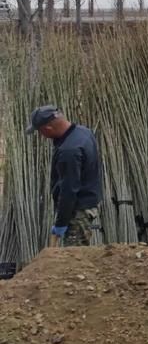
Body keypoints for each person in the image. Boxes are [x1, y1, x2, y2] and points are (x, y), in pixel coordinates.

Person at [26, 105, 101, 247]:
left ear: (47, 129)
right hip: (89, 201)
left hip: (78, 210)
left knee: (74, 258)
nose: (42, 136)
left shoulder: (69, 151)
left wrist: (61, 223)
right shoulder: (83, 132)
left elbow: (69, 190)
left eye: (40, 132)